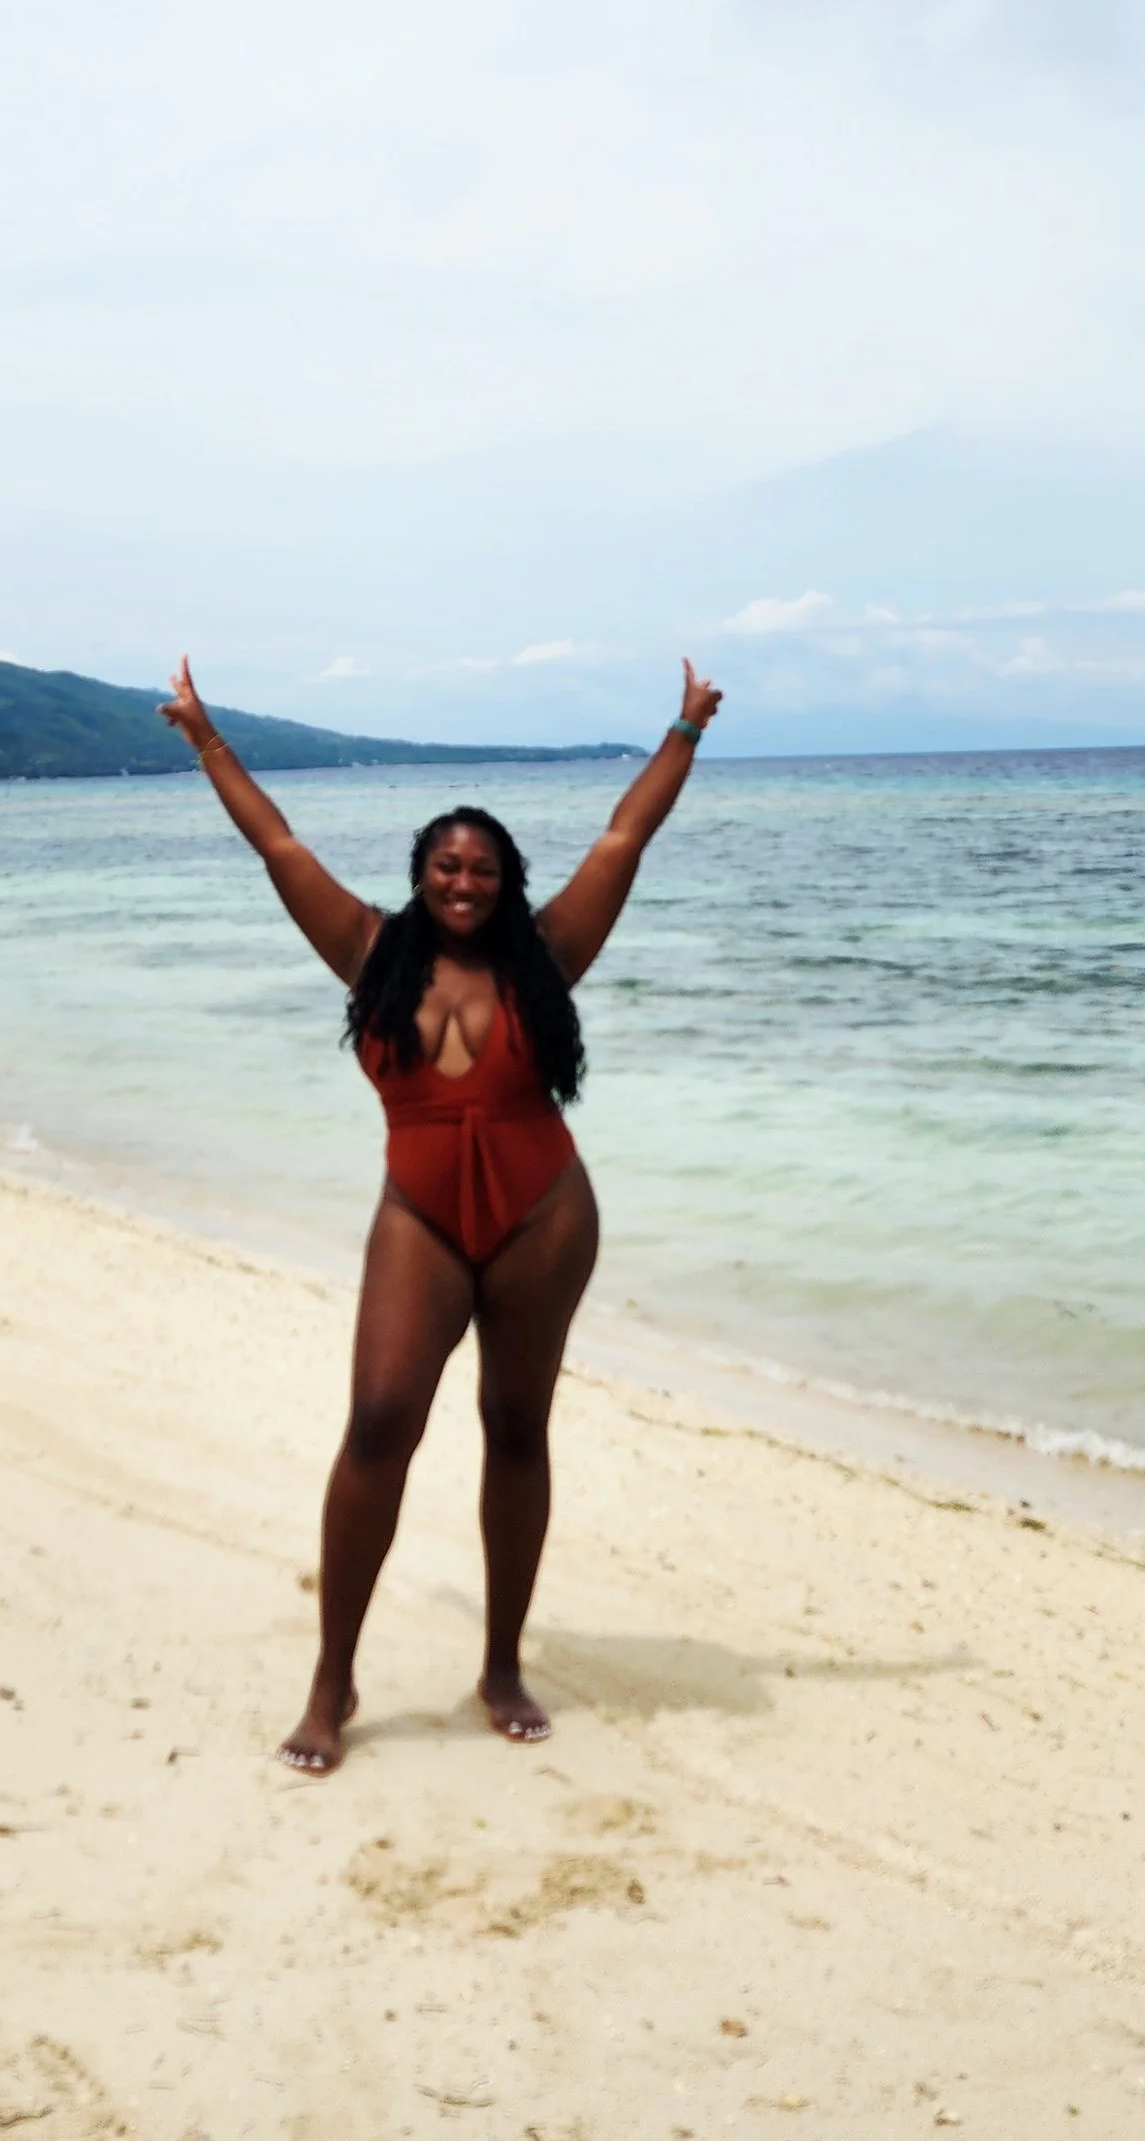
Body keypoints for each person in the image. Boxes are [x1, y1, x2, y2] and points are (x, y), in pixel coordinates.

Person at [157, 654, 725, 1775]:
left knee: (516, 1431)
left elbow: (622, 840)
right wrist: (202, 736)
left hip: (544, 1216)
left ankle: (501, 1662)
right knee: (378, 1424)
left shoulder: (547, 959)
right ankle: (333, 1679)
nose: (462, 882)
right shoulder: (367, 954)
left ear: (507, 881)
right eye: (444, 866)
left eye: (481, 868)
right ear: (419, 877)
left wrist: (686, 729)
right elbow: (278, 845)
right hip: (418, 1216)